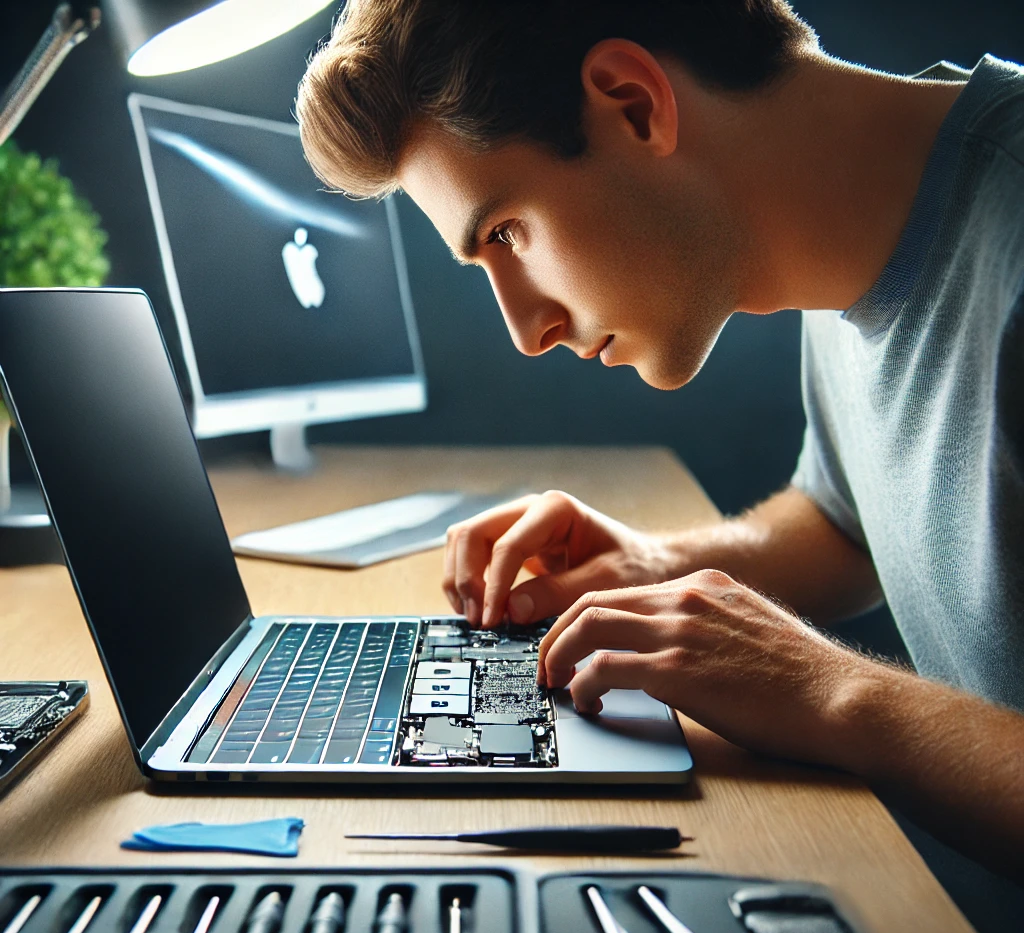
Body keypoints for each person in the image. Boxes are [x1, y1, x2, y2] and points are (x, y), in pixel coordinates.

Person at [295, 0, 1024, 882]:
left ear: (633, 103)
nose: (526, 330)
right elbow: (851, 525)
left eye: (506, 233)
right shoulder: (842, 238)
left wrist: (834, 693)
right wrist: (658, 562)